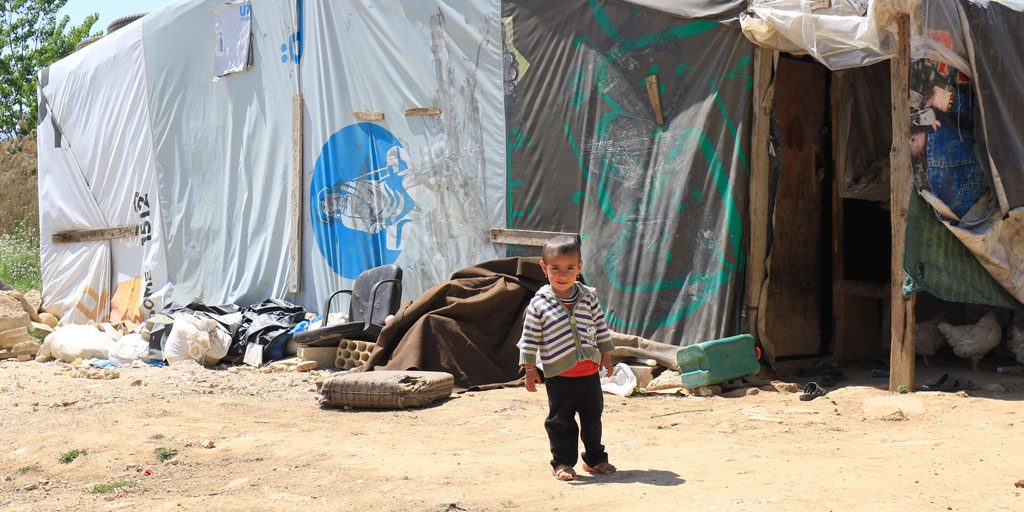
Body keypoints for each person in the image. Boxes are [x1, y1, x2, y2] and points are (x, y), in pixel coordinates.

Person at [518, 234, 617, 481]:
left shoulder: (589, 297)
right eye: (556, 269)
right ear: (544, 268)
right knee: (561, 421)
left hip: (589, 372)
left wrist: (606, 354)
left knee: (592, 418)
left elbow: (600, 326)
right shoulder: (539, 304)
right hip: (559, 375)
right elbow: (529, 338)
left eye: (570, 268)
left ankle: (595, 459)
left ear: (579, 267)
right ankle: (562, 462)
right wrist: (529, 368)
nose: (563, 275)